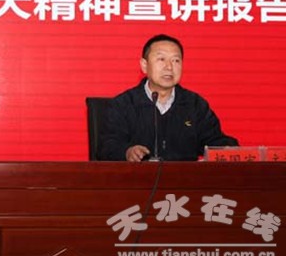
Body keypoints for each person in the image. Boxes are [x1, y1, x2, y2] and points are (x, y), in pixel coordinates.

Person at [98, 34, 238, 162]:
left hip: (185, 180)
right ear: (144, 65)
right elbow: (107, 147)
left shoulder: (194, 104)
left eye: (176, 60)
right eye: (161, 59)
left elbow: (214, 141)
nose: (169, 67)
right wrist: (127, 152)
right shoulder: (123, 104)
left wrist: (229, 148)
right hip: (137, 179)